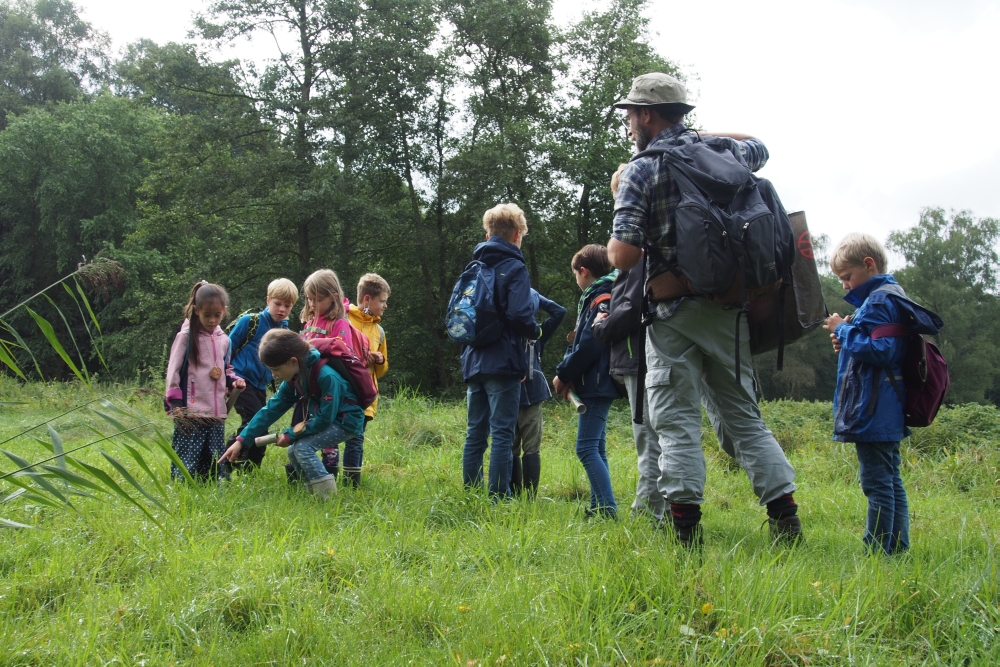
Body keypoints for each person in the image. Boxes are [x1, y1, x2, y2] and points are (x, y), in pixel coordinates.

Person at [607, 72, 800, 546]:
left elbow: (622, 256)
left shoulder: (641, 169)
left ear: (647, 114)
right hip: (731, 309)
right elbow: (760, 146)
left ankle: (686, 533)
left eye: (632, 113)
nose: (630, 123)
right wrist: (701, 136)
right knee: (745, 421)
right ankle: (785, 519)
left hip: (673, 314)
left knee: (675, 424)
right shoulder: (725, 153)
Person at [821, 233, 914, 555]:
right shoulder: (891, 295)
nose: (845, 285)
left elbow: (881, 351)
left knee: (876, 484)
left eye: (847, 277)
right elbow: (874, 348)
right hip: (887, 403)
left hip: (873, 407)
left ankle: (876, 552)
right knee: (890, 480)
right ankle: (897, 548)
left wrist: (841, 329)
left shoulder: (878, 301)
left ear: (868, 265)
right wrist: (847, 338)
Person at [218, 329, 365, 499]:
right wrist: (242, 440)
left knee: (303, 448)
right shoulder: (297, 377)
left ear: (293, 361)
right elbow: (270, 410)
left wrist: (290, 434)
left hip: (347, 422)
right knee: (293, 451)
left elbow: (325, 418)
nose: (274, 375)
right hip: (330, 420)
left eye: (276, 369)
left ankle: (328, 498)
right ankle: (309, 492)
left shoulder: (326, 376)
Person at [461, 203, 541, 499]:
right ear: (517, 234)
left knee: (475, 433)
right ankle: (499, 498)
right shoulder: (515, 266)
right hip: (504, 360)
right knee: (503, 433)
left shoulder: (474, 266)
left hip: (473, 359)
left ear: (488, 233)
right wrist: (536, 331)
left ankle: (470, 494)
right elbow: (521, 315)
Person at [553, 244, 620, 519]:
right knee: (596, 446)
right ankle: (599, 505)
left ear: (583, 271)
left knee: (585, 447)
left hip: (596, 380)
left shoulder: (600, 296)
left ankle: (606, 509)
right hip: (597, 380)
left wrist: (564, 373)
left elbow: (590, 344)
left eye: (575, 275)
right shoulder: (606, 293)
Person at [165, 281, 245, 481]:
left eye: (217, 315)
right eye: (206, 315)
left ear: (224, 311)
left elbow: (226, 370)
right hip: (191, 411)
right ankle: (184, 486)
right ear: (196, 310)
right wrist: (175, 403)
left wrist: (234, 381)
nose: (212, 320)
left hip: (216, 411)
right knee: (188, 454)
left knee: (214, 455)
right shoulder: (185, 337)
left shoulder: (225, 340)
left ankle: (211, 484)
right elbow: (173, 371)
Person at [225, 278, 299, 470]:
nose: (281, 309)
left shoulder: (284, 332)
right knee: (253, 423)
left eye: (287, 305)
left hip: (260, 385)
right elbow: (226, 351)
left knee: (260, 424)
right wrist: (227, 380)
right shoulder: (250, 322)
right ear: (268, 300)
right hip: (240, 381)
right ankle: (224, 463)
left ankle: (250, 467)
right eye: (277, 303)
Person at [298, 269, 355, 478]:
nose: (312, 304)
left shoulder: (339, 323)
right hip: (308, 388)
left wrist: (311, 344)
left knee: (326, 432)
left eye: (318, 299)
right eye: (309, 299)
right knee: (303, 426)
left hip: (330, 386)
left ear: (333, 297)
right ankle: (303, 470)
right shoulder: (309, 322)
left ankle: (328, 471)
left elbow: (343, 351)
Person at [510, 288, 566, 496]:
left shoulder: (530, 332)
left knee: (521, 447)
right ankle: (521, 496)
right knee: (521, 447)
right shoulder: (531, 332)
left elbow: (560, 311)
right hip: (521, 394)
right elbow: (558, 311)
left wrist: (530, 294)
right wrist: (535, 297)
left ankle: (524, 497)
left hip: (522, 394)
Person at [344, 273, 391, 487]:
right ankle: (324, 479)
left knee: (356, 439)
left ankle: (351, 485)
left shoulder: (379, 331)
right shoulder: (344, 320)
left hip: (364, 395)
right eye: (382, 301)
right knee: (330, 438)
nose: (385, 306)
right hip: (342, 390)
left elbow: (381, 371)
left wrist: (379, 361)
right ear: (366, 300)